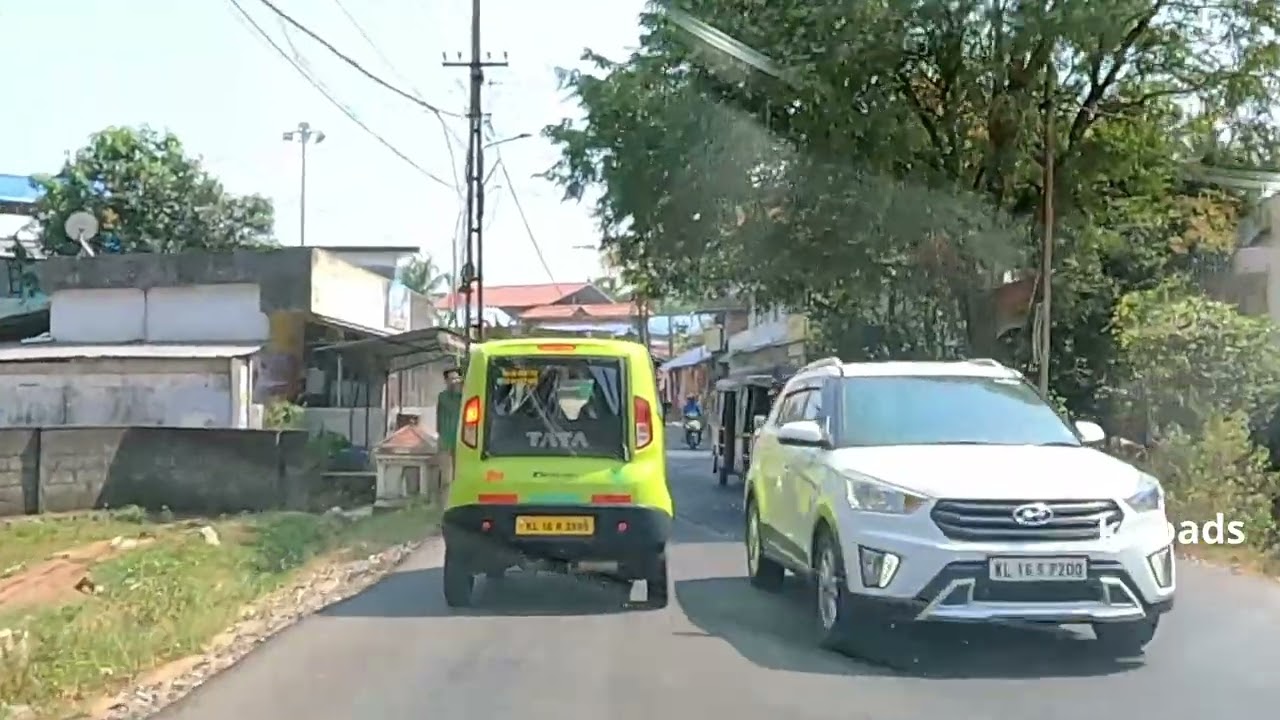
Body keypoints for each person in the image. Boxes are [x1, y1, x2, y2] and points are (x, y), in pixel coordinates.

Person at [434, 367, 463, 500]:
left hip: (462, 442)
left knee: (461, 476)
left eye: (456, 378)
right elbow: (439, 417)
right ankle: (445, 505)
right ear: (446, 381)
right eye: (451, 379)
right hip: (446, 440)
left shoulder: (465, 397)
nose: (454, 382)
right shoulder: (443, 397)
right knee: (446, 477)